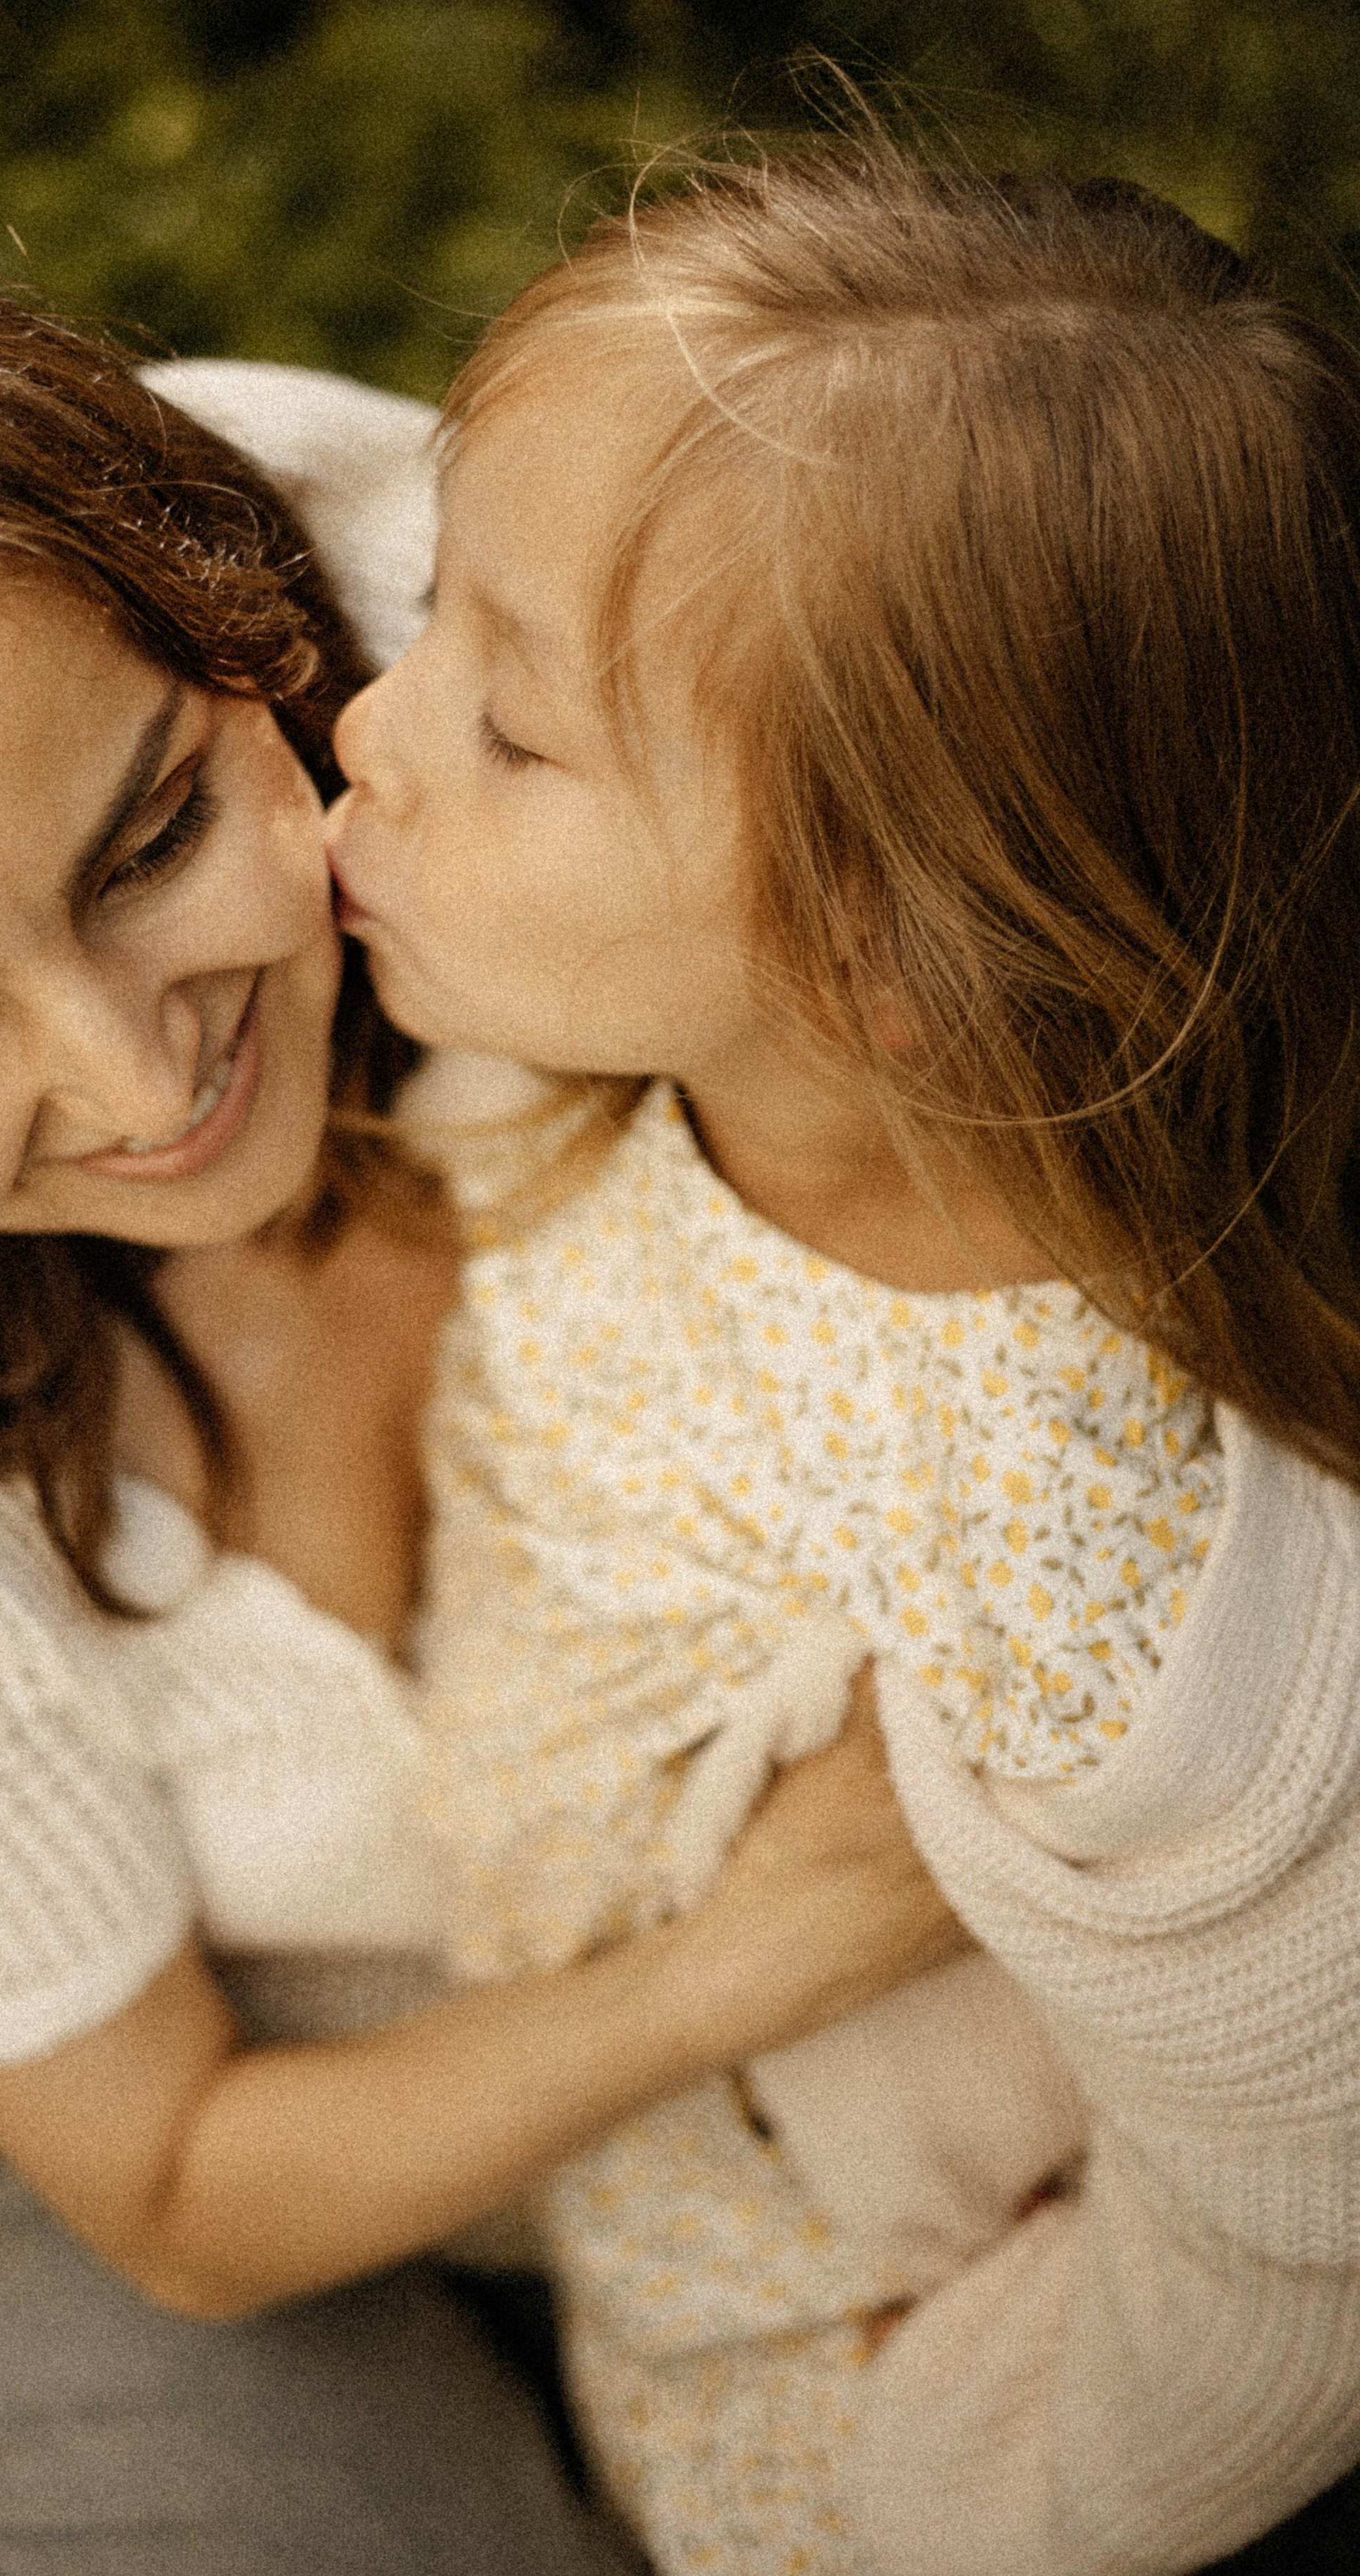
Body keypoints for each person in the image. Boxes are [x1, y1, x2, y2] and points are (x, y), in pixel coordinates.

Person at [0, 191, 966, 2576]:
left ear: (255, 637)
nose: (137, 1077)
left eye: (155, 838)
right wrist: (763, 1958)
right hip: (86, 2117)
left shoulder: (377, 568)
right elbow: (182, 2198)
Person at [316, 146, 1360, 2574]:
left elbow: (1296, 2249)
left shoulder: (1115, 1582)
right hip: (600, 2150)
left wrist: (979, 2465)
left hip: (839, 2383)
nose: (370, 717)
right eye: (431, 620)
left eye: (512, 723)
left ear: (907, 951)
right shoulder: (584, 1035)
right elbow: (188, 476)